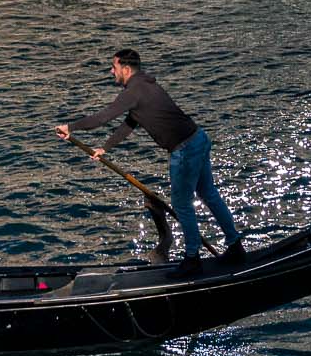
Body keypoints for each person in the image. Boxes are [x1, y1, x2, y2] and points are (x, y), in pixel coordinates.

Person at [57, 48, 243, 267]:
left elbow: (103, 117)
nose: (111, 71)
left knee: (182, 204)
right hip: (198, 139)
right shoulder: (145, 84)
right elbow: (132, 122)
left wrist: (71, 127)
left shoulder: (133, 91)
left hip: (184, 149)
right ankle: (235, 246)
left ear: (125, 69)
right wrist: (106, 147)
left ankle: (192, 258)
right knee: (209, 194)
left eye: (113, 67)